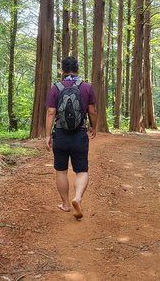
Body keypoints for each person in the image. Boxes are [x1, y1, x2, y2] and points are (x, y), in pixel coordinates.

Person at [45, 57, 97, 219]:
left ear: (62, 71)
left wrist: (47, 134)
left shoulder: (56, 88)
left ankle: (66, 204)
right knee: (81, 170)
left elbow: (51, 112)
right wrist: (93, 127)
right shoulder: (87, 87)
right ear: (78, 70)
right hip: (79, 134)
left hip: (60, 134)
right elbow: (93, 111)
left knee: (61, 170)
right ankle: (78, 198)